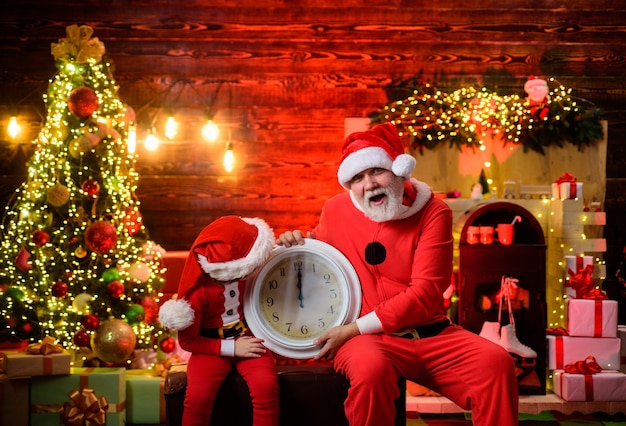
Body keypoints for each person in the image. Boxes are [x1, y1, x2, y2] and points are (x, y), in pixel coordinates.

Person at [277, 123, 519, 425]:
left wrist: (352, 329)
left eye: (376, 171)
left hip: (431, 335)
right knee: (371, 371)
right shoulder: (335, 210)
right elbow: (319, 261)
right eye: (357, 178)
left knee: (496, 363)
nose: (369, 185)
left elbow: (426, 292)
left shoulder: (434, 212)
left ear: (398, 168)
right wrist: (293, 243)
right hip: (369, 341)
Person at [159, 216, 279, 426]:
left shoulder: (248, 273)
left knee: (266, 386)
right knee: (198, 397)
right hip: (210, 348)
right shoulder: (198, 294)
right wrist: (232, 348)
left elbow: (274, 259)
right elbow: (188, 342)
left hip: (248, 340)